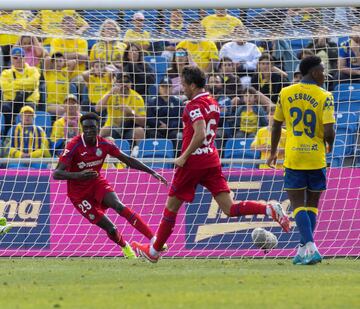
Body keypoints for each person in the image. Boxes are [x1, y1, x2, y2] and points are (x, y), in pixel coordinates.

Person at [132, 66, 290, 263]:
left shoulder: (193, 105)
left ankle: (154, 252)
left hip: (193, 161)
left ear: (192, 85)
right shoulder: (213, 103)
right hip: (211, 159)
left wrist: (183, 156)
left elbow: (199, 133)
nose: (181, 89)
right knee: (229, 208)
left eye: (183, 85)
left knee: (171, 206)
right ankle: (268, 208)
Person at [53, 112, 168, 258]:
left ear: (99, 128)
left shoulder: (104, 144)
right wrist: (78, 175)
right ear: (82, 128)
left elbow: (127, 160)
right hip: (78, 195)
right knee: (111, 228)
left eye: (92, 128)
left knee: (119, 206)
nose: (89, 131)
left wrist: (151, 172)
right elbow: (56, 174)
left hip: (96, 183)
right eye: (86, 128)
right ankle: (125, 247)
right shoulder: (74, 145)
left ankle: (154, 239)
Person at [267, 56, 335, 265]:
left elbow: (277, 125)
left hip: (294, 156)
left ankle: (307, 248)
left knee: (297, 205)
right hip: (316, 157)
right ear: (314, 72)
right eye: (323, 71)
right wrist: (329, 145)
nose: (325, 75)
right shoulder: (325, 96)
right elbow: (329, 130)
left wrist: (272, 151)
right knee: (312, 205)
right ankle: (306, 248)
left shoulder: (285, 93)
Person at [0, 47, 40, 135]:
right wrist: (25, 85)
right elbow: (5, 87)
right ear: (11, 59)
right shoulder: (6, 73)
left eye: (21, 56)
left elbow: (34, 82)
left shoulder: (33, 70)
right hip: (11, 101)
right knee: (5, 108)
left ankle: (28, 135)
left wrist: (14, 84)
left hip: (28, 100)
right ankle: (7, 134)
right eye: (15, 57)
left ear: (24, 58)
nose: (18, 59)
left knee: (28, 109)